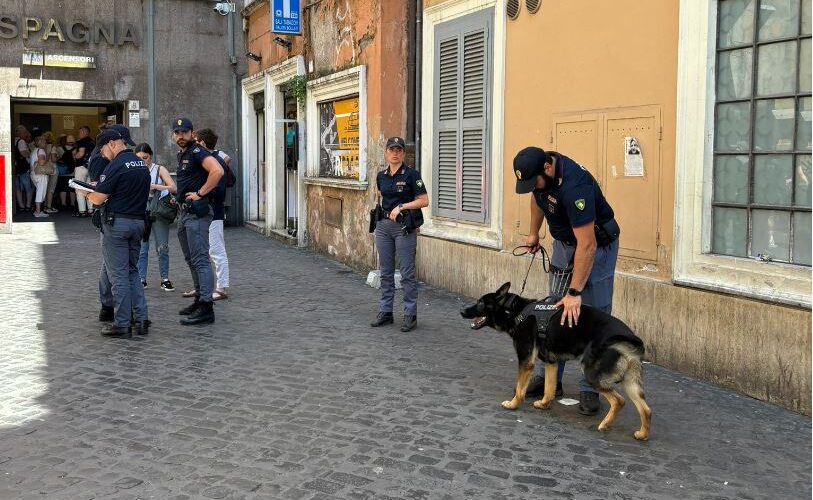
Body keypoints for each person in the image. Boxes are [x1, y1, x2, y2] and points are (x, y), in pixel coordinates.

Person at [514, 146, 621, 416]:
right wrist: (533, 233)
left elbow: (587, 245)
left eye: (534, 181)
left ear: (547, 169)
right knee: (553, 311)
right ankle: (550, 380)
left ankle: (590, 386)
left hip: (596, 247)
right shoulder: (540, 178)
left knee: (592, 315)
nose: (532, 187)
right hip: (565, 243)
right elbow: (536, 197)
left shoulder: (576, 186)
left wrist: (574, 292)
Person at [83, 128, 151, 338]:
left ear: (112, 143)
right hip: (138, 223)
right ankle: (141, 318)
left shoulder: (116, 166)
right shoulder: (140, 163)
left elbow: (97, 199)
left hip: (117, 225)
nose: (102, 154)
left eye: (103, 149)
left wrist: (86, 192)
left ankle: (122, 323)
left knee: (118, 275)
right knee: (132, 272)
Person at [370, 136, 429, 332]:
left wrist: (402, 206)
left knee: (406, 273)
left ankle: (410, 314)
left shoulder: (412, 175)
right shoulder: (381, 176)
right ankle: (386, 311)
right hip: (384, 227)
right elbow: (381, 196)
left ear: (403, 153)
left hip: (403, 228)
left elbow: (424, 200)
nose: (395, 153)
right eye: (391, 149)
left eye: (399, 150)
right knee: (385, 272)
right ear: (386, 153)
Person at [172, 118, 224, 325]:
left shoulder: (197, 152)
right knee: (191, 259)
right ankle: (198, 299)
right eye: (176, 132)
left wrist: (201, 193)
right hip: (184, 214)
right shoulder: (183, 154)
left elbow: (217, 171)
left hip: (197, 214)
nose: (180, 136)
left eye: (184, 132)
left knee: (201, 259)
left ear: (192, 133)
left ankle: (206, 307)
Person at [134, 143, 177, 291]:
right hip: (141, 211)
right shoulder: (135, 170)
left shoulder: (159, 169)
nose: (142, 161)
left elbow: (173, 187)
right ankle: (141, 278)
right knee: (141, 248)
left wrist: (156, 186)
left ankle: (165, 278)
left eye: (145, 158)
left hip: (158, 211)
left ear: (150, 156)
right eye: (139, 158)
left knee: (162, 247)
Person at [194, 128, 230, 301]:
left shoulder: (215, 162)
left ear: (201, 143)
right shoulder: (213, 160)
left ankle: (222, 287)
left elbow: (223, 187)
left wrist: (201, 193)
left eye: (195, 141)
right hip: (207, 211)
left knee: (216, 250)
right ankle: (204, 286)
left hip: (214, 211)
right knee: (207, 250)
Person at [73, 125, 95, 217]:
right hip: (90, 168)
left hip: (81, 167)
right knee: (89, 189)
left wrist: (74, 155)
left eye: (80, 132)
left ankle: (82, 211)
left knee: (79, 189)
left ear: (84, 132)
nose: (79, 134)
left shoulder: (82, 141)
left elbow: (81, 153)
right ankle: (91, 210)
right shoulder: (93, 142)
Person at [29, 137, 53, 218]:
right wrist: (48, 157)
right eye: (45, 142)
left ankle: (38, 210)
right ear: (41, 143)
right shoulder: (41, 150)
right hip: (41, 174)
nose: (46, 144)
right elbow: (41, 162)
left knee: (39, 191)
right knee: (40, 192)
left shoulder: (34, 150)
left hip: (34, 173)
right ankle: (38, 211)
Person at [12, 125, 33, 213]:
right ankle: (28, 206)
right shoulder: (21, 141)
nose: (25, 134)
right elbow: (24, 153)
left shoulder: (12, 140)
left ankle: (21, 206)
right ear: (20, 133)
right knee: (28, 186)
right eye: (24, 133)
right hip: (23, 167)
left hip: (15, 167)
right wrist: (30, 153)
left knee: (17, 188)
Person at [57, 135, 77, 212]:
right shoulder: (76, 149)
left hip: (62, 171)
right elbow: (75, 160)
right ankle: (72, 204)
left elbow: (57, 158)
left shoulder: (59, 148)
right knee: (72, 188)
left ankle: (63, 204)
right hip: (72, 171)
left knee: (63, 188)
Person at [42, 131, 60, 213]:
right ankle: (49, 207)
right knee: (51, 189)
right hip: (52, 169)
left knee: (45, 188)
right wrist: (58, 157)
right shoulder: (53, 147)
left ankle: (45, 206)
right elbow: (53, 159)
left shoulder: (42, 147)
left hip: (44, 169)